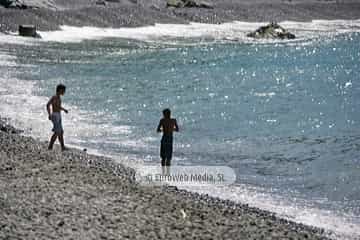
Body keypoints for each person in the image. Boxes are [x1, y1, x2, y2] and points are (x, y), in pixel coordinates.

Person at [46, 84, 69, 151]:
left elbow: (57, 106)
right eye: (63, 90)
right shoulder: (55, 97)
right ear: (60, 90)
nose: (64, 92)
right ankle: (50, 146)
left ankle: (62, 147)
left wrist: (64, 110)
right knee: (57, 132)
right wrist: (49, 114)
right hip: (55, 116)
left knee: (61, 132)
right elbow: (48, 105)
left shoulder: (58, 97)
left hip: (58, 115)